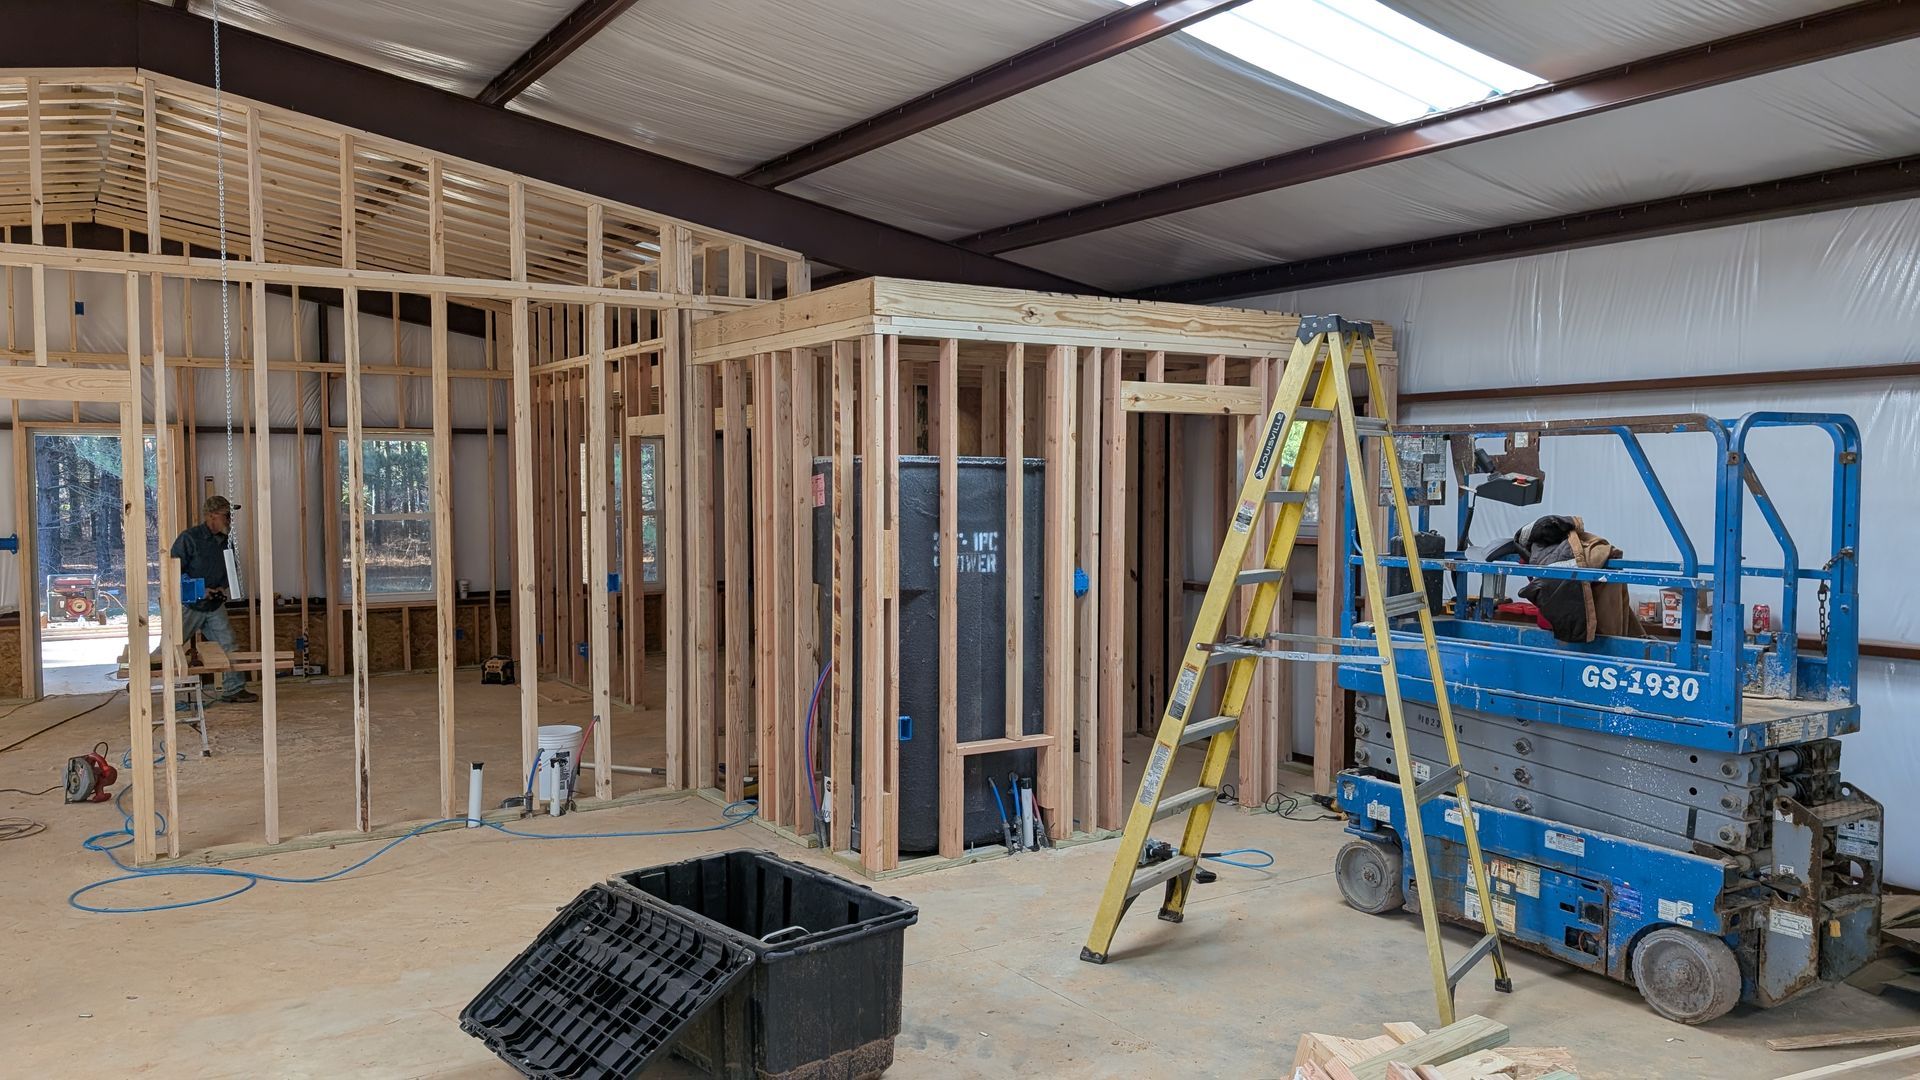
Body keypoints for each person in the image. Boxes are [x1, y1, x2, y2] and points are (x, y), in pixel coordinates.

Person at [169, 495, 257, 704]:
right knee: (170, 645)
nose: (229, 520)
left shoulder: (226, 541)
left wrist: (221, 587)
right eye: (226, 515)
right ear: (211, 516)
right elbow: (173, 571)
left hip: (214, 605)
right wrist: (200, 589)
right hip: (189, 605)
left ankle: (234, 689)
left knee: (228, 645)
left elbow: (231, 570)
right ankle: (141, 678)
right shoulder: (189, 539)